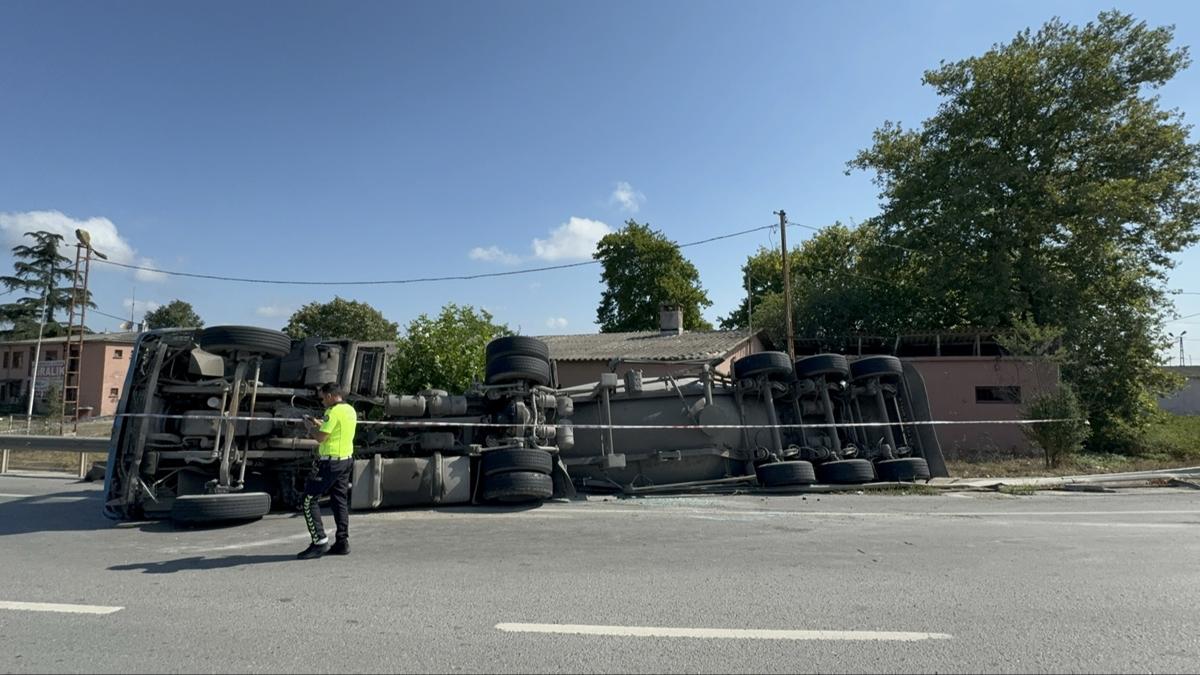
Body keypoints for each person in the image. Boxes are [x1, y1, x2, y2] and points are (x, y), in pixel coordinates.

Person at [296, 382, 357, 559]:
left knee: (308, 500)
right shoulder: (349, 410)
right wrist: (319, 423)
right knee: (339, 501)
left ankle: (319, 542)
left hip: (331, 463)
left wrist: (310, 428)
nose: (322, 402)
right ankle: (342, 542)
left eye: (323, 398)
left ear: (330, 396)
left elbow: (322, 437)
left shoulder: (332, 412)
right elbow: (337, 428)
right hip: (346, 460)